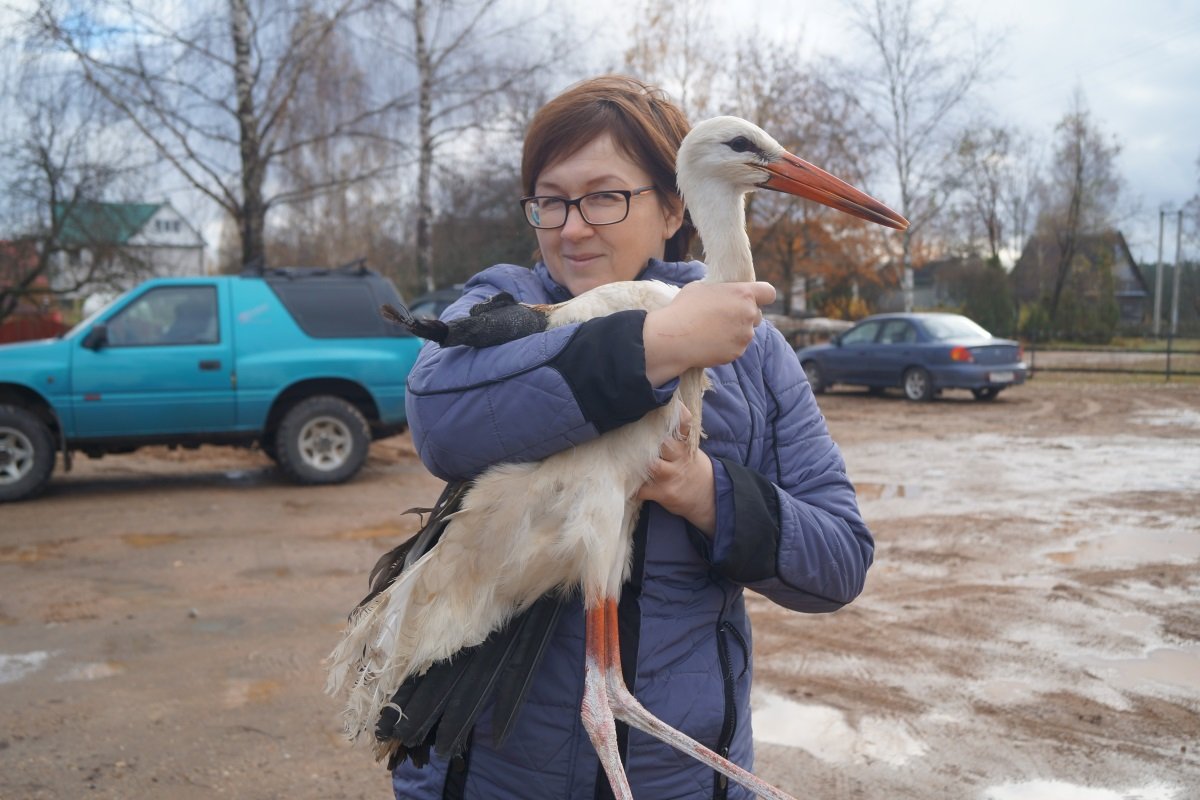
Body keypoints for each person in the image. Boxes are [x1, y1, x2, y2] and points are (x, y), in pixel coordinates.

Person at [398, 75, 873, 800]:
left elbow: (839, 562)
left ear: (673, 206)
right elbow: (439, 421)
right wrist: (653, 345)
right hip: (486, 773)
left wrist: (705, 491)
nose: (571, 227)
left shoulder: (758, 349)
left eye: (604, 196)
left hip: (680, 783)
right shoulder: (500, 305)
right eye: (550, 200)